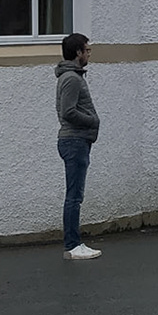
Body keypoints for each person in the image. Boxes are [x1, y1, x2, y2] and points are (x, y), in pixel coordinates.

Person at [55, 32, 102, 259]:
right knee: (74, 196)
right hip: (74, 141)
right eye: (87, 50)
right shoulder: (71, 79)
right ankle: (72, 246)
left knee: (75, 195)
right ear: (78, 53)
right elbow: (68, 111)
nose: (89, 54)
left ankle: (74, 244)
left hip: (76, 140)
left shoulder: (72, 77)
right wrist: (93, 120)